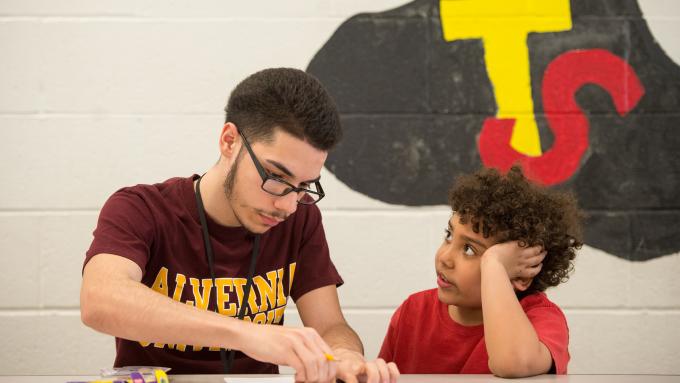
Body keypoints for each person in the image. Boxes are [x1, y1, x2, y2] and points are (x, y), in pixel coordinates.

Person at [81, 68, 399, 383]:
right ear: (229, 141)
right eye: (276, 178)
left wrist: (343, 355)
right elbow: (100, 300)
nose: (287, 205)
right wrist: (246, 335)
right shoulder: (141, 208)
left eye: (304, 186)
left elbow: (330, 326)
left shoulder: (301, 218)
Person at [378, 166, 583, 377]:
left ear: (521, 275)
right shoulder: (413, 310)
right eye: (449, 235)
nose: (445, 258)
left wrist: (493, 264)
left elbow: (512, 363)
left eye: (469, 249)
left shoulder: (542, 318)